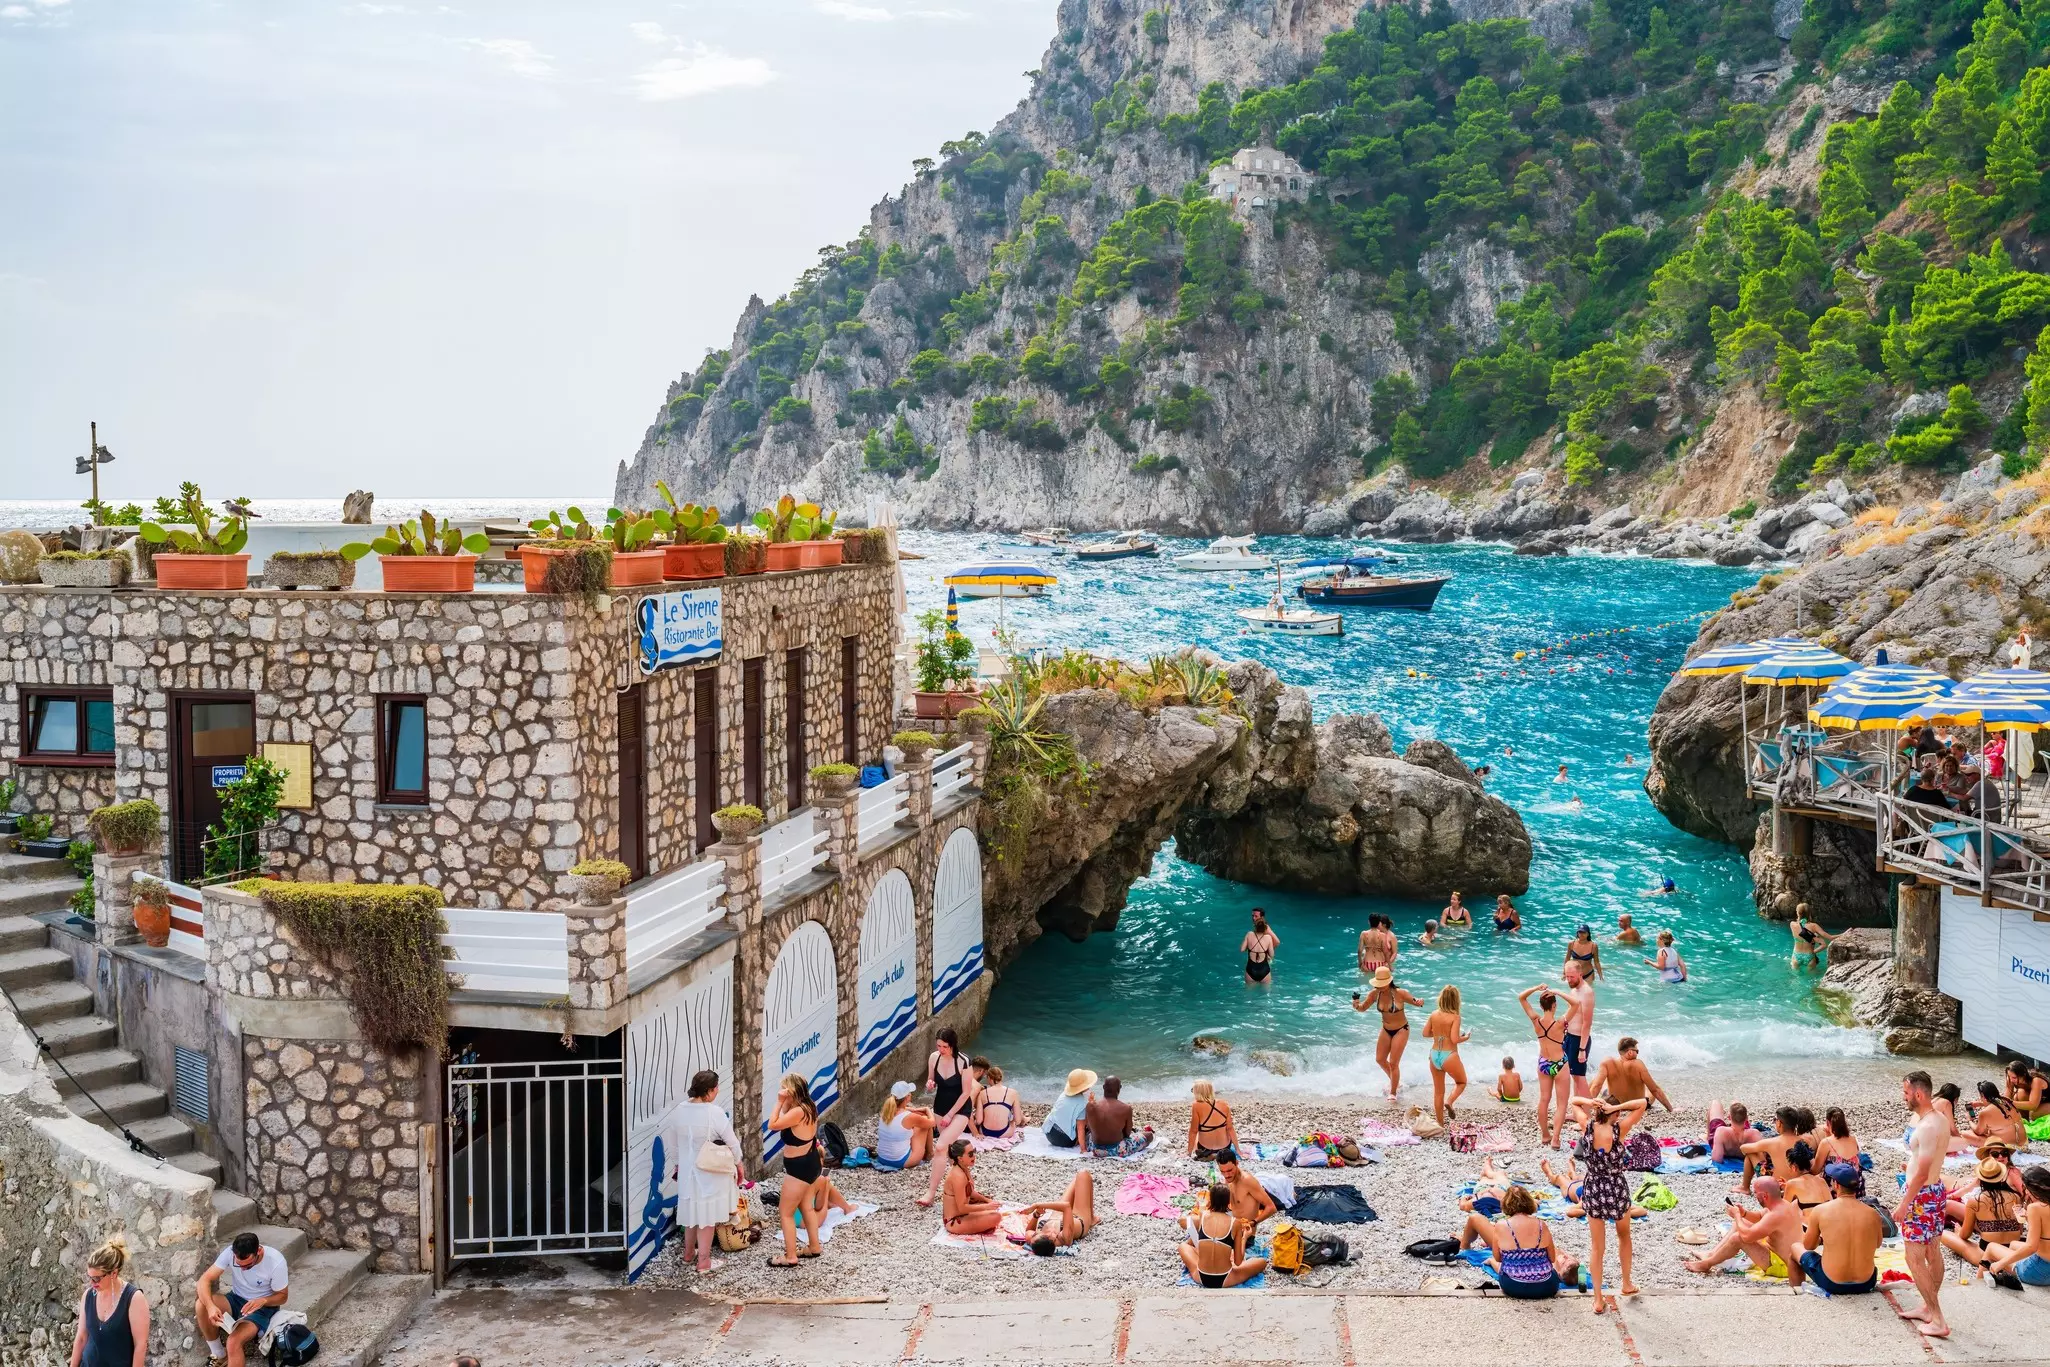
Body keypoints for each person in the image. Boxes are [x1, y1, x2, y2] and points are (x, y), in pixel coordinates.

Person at [1567, 1094, 1647, 1314]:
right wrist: (1619, 1105)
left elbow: (1573, 1101)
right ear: (1615, 1113)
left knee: (1597, 1246)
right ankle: (1627, 1283)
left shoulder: (1587, 1127)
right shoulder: (1619, 1129)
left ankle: (1598, 1300)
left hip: (1593, 1186)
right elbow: (1642, 1103)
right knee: (1624, 1235)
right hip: (1615, 1186)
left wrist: (1591, 1102)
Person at [664, 1069, 743, 1274]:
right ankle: (704, 1262)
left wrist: (679, 1164)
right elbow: (732, 1143)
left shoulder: (679, 1110)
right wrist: (739, 1162)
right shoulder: (713, 1112)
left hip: (687, 1172)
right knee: (706, 1217)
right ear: (708, 1091)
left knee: (691, 1213)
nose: (717, 1091)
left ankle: (689, 1254)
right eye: (716, 1088)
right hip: (708, 1172)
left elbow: (672, 1145)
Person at [1894, 1070, 1952, 1339]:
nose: (1903, 1097)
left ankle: (1937, 1318)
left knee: (1914, 1257)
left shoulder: (1928, 1126)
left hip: (1921, 1195)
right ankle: (1929, 1309)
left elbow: (1922, 1170)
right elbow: (1923, 1163)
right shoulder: (1936, 1118)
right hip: (1934, 1189)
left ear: (1918, 1094)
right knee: (1932, 1251)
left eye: (1906, 1092)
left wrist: (1904, 1203)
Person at [1683, 1175, 1805, 1284]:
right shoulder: (1782, 1204)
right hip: (1781, 1254)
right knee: (1742, 1222)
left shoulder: (1776, 1215)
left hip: (1783, 1265)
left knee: (1738, 1238)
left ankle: (1707, 1264)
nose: (1755, 1196)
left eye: (1756, 1193)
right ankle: (1711, 1254)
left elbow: (1746, 1237)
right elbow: (1759, 1216)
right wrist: (1743, 1213)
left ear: (1764, 1196)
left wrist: (1737, 1215)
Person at [1459, 1185, 1575, 1299]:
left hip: (1514, 1286)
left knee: (1474, 1218)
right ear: (1530, 1203)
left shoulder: (1502, 1226)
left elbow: (1499, 1258)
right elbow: (1552, 1258)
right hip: (1547, 1287)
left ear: (1505, 1204)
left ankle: (1465, 1247)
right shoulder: (1541, 1225)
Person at [195, 1231, 288, 1367]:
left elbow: (283, 1296)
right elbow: (204, 1280)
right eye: (239, 1265)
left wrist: (263, 1301)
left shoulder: (276, 1261)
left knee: (233, 1342)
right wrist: (210, 1307)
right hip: (236, 1298)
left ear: (259, 1252)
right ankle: (220, 1355)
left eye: (248, 1265)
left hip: (261, 1308)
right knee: (201, 1304)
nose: (244, 1269)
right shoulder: (229, 1253)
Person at [765, 1074, 825, 1266]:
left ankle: (790, 1257)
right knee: (806, 1206)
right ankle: (814, 1246)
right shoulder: (809, 1106)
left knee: (785, 1213)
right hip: (810, 1162)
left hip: (799, 1168)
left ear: (791, 1092)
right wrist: (786, 1101)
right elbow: (786, 1113)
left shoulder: (798, 1112)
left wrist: (778, 1101)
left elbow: (772, 1124)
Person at [1798, 1164, 1885, 1295]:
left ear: (1836, 1185)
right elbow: (1877, 1244)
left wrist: (1822, 1238)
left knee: (1795, 1247)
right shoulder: (1873, 1213)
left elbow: (1808, 1246)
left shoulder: (1821, 1210)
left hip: (1832, 1283)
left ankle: (1795, 1292)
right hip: (1866, 1283)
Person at [1943, 1156, 2029, 1279]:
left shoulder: (1975, 1201)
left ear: (1981, 1179)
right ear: (2001, 1177)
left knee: (1944, 1235)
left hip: (1988, 1255)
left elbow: (1965, 1235)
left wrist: (1958, 1233)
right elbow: (2020, 1230)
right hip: (2012, 1252)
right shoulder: (2015, 1197)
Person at [73, 1235, 148, 1367]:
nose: (91, 1283)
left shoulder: (134, 1298)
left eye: (96, 1278)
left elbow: (140, 1345)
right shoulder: (88, 1295)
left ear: (114, 1273)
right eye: (89, 1277)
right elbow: (81, 1337)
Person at [1180, 1184, 1268, 1288]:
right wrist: (1245, 1238)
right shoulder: (1235, 1223)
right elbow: (1238, 1262)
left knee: (1183, 1246)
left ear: (1211, 1200)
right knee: (1262, 1262)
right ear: (1228, 1202)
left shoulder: (1203, 1216)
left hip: (1201, 1276)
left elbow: (1199, 1212)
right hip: (1225, 1278)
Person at [1353, 966, 1422, 1099]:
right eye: (1378, 984)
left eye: (1382, 984)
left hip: (1401, 1029)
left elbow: (1417, 1003)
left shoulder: (1400, 993)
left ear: (1389, 981)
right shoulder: (1374, 994)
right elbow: (1362, 1008)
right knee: (1380, 1059)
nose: (1380, 987)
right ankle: (1396, 1082)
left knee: (1393, 1063)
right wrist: (1356, 1004)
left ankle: (1393, 1093)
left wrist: (1420, 1002)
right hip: (1386, 1029)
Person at [1517, 985, 1569, 1149]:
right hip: (1559, 1064)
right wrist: (1558, 992)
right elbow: (1576, 1004)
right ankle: (1555, 1139)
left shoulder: (1536, 1020)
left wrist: (1537, 988)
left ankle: (1545, 1135)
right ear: (1554, 1005)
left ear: (1540, 1006)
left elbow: (1521, 997)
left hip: (1544, 1063)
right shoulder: (1560, 1023)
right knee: (1561, 1104)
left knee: (1544, 1100)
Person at [1988, 1164, 2050, 1287]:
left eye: (2025, 1188)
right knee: (2013, 1244)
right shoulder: (2040, 1209)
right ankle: (2010, 1274)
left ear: (2032, 1188)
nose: (2026, 1192)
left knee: (1991, 1248)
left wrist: (2000, 1263)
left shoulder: (2035, 1208)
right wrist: (2029, 1218)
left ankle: (1981, 1289)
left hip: (2040, 1272)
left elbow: (2031, 1247)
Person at [1423, 984, 1470, 1126]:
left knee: (1438, 1092)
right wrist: (1465, 1037)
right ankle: (1449, 1102)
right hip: (1449, 1055)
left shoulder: (1433, 1014)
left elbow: (1425, 1033)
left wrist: (1438, 1034)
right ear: (1456, 1000)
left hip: (1434, 1054)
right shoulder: (1455, 1017)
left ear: (1441, 999)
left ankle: (1440, 1125)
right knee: (1461, 1082)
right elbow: (1455, 1039)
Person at [1021, 1170, 1098, 1254]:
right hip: (1079, 1217)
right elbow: (1066, 1206)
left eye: (1034, 1235)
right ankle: (1091, 1218)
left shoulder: (1035, 1241)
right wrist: (1037, 1205)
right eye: (1036, 1234)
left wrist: (1036, 1215)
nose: (1034, 1233)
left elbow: (1029, 1230)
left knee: (1077, 1180)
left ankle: (1091, 1217)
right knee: (1083, 1174)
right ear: (1052, 1239)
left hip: (1058, 1213)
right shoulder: (1064, 1238)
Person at [940, 1139, 1004, 1237]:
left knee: (992, 1208)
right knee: (996, 1217)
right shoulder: (958, 1177)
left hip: (962, 1213)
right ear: (960, 1158)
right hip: (954, 1220)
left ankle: (981, 1224)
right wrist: (986, 1206)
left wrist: (988, 1200)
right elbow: (962, 1208)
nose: (974, 1156)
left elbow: (970, 1192)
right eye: (970, 1154)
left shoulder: (963, 1168)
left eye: (973, 1152)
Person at [876, 1081, 939, 1172]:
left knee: (917, 1123)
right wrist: (927, 1109)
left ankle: (927, 1153)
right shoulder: (909, 1117)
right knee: (924, 1122)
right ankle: (930, 1154)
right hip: (900, 1161)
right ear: (907, 1097)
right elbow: (932, 1123)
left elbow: (906, 1111)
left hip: (882, 1158)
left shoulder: (886, 1111)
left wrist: (915, 1110)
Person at [1085, 1076, 1153, 1157]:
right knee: (1149, 1135)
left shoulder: (1090, 1106)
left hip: (1094, 1149)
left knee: (1088, 1135)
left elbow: (1089, 1128)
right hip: (1116, 1150)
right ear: (1119, 1088)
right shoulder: (1126, 1108)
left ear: (1103, 1087)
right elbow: (1127, 1134)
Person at [1212, 1149, 1279, 1229]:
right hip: (1233, 1230)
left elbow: (1271, 1207)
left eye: (1230, 1170)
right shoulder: (1228, 1180)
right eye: (1222, 1171)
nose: (1226, 1175)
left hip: (1246, 1233)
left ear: (1237, 1163)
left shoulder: (1247, 1181)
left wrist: (1253, 1223)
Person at [1560, 961, 1596, 1099]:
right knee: (1574, 1076)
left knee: (1580, 1078)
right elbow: (1571, 1012)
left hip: (1580, 1040)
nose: (1569, 980)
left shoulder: (1587, 992)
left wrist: (1582, 1050)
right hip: (1569, 1036)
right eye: (1567, 976)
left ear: (1580, 975)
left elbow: (1587, 1023)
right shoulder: (1574, 989)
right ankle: (1577, 1110)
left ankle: (1586, 1113)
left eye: (1572, 977)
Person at [1969, 1079, 2029, 1149]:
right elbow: (1998, 1106)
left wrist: (1969, 1120)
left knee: (1965, 1134)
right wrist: (1980, 1103)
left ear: (1983, 1096)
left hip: (2007, 1148)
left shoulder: (1985, 1113)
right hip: (2024, 1145)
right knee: (1990, 1129)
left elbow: (1978, 1132)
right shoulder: (2007, 1102)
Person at [1042, 1069, 1095, 1149]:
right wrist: (1083, 1149)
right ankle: (1076, 1141)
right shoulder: (1082, 1104)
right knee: (1086, 1121)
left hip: (1049, 1133)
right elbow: (1081, 1130)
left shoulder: (1063, 1095)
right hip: (1064, 1141)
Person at [1187, 1080, 1237, 1160]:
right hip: (1225, 1147)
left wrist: (1188, 1153)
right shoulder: (1224, 1104)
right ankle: (1217, 1154)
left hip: (1205, 1148)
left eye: (1193, 1090)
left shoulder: (1196, 1106)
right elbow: (1230, 1129)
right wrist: (1238, 1150)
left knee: (1196, 1135)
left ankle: (1209, 1154)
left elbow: (1193, 1131)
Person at [972, 1064, 1020, 1141]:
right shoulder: (1013, 1093)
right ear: (1001, 1077)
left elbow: (978, 1121)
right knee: (1012, 1120)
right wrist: (1012, 1122)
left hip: (985, 1131)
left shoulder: (983, 1093)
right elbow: (1018, 1121)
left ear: (989, 1078)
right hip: (1005, 1133)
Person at [1814, 1107, 1860, 1172]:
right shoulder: (1853, 1139)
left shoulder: (1825, 1143)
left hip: (1835, 1181)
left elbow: (1815, 1170)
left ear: (1827, 1123)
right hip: (1855, 1179)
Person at [1241, 909, 1280, 985]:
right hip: (1262, 965)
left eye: (1256, 916)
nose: (1253, 918)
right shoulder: (1264, 934)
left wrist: (1266, 952)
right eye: (1252, 916)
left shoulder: (1265, 928)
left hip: (1255, 963)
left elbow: (1277, 942)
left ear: (1262, 917)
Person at [1789, 905, 1834, 970]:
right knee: (1811, 977)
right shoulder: (1813, 926)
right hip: (1809, 955)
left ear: (1798, 913)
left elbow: (1801, 927)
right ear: (1809, 913)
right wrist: (1844, 933)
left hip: (1796, 955)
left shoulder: (1792, 924)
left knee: (1796, 978)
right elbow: (1830, 937)